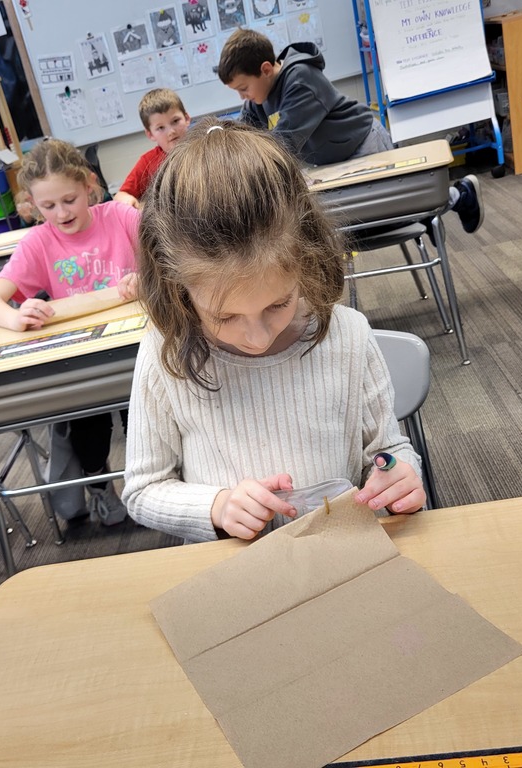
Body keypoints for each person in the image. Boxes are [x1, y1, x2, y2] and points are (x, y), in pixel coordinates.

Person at [122, 120, 425, 543]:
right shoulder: (164, 354)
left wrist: (398, 475)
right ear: (178, 289)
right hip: (235, 574)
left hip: (338, 560)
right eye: (224, 317)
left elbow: (387, 452)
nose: (258, 337)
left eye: (278, 304)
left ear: (308, 257)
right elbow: (143, 489)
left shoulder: (348, 335)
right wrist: (217, 506)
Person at [0, 139, 139, 526]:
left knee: (142, 420)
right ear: (33, 205)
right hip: (82, 359)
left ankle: (151, 481)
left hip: (137, 347)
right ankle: (100, 485)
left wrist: (150, 276)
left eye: (69, 199)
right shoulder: (38, 241)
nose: (61, 213)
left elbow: (175, 253)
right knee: (88, 426)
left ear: (88, 185)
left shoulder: (120, 217)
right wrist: (18, 316)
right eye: (48, 206)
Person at [217, 28, 484, 234]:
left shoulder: (301, 80)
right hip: (336, 161)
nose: (243, 97)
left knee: (396, 209)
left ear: (265, 70)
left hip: (364, 144)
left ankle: (458, 196)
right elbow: (244, 132)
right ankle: (430, 215)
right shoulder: (258, 98)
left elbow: (284, 142)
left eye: (243, 88)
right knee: (378, 217)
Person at [113, 88, 192, 210]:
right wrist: (128, 200)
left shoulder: (202, 148)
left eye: (175, 121)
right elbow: (120, 195)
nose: (171, 131)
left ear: (186, 118)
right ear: (150, 134)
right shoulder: (148, 161)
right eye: (160, 128)